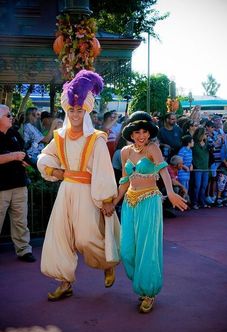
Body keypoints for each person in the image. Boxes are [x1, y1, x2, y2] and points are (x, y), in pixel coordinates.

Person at [37, 70, 120, 301]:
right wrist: (54, 170)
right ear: (66, 109)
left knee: (85, 237)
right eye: (71, 109)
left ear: (86, 109)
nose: (74, 114)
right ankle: (64, 282)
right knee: (60, 236)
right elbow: (44, 156)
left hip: (87, 192)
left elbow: (103, 171)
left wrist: (106, 200)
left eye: (79, 109)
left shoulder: (96, 139)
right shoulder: (59, 136)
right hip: (65, 191)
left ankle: (107, 262)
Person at [112, 111, 187, 313]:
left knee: (147, 249)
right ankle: (141, 281)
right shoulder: (125, 152)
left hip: (150, 201)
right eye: (137, 131)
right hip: (129, 203)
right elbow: (124, 181)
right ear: (131, 132)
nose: (141, 135)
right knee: (127, 250)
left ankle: (148, 292)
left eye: (145, 131)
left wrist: (170, 193)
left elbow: (163, 171)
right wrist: (113, 203)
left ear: (149, 133)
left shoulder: (153, 148)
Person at [0, 104, 36, 262]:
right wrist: (14, 156)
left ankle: (24, 250)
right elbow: (17, 155)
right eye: (8, 115)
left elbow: (24, 155)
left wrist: (39, 167)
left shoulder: (14, 133)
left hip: (19, 184)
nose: (11, 117)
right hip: (1, 187)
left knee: (21, 220)